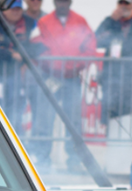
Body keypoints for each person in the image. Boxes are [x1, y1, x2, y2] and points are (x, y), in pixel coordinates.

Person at [31, 0, 95, 170]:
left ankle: (74, 161)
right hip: (49, 76)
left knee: (73, 122)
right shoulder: (44, 22)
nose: (62, 3)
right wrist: (53, 66)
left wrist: (73, 66)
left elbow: (89, 47)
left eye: (65, 0)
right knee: (44, 120)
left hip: (72, 77)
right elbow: (36, 48)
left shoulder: (80, 21)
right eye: (59, 0)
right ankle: (42, 160)